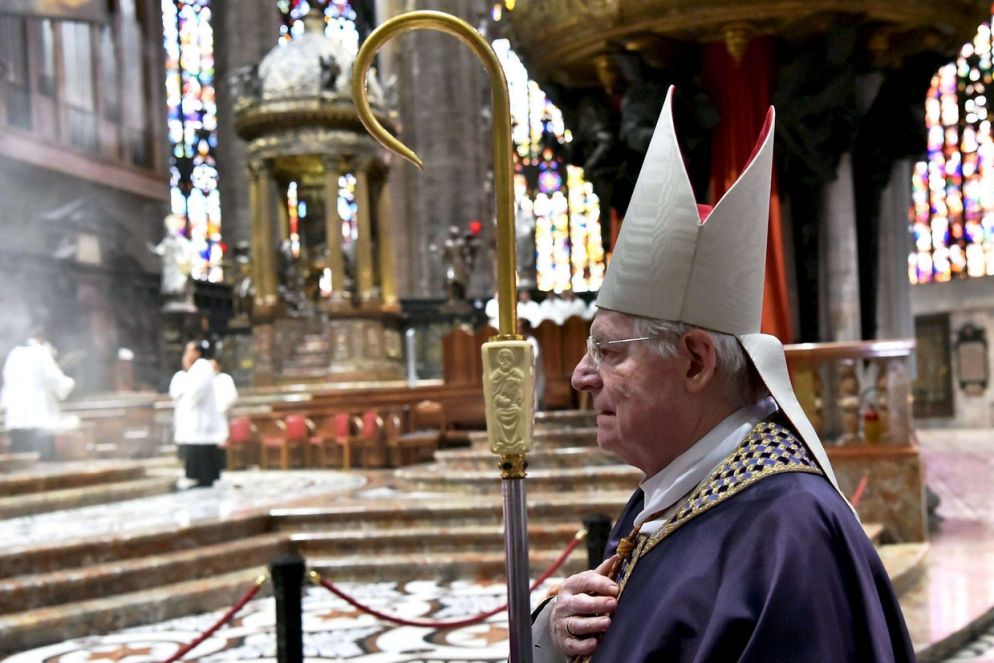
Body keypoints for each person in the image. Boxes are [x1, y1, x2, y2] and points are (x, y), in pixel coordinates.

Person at [531, 88, 915, 661]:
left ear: (695, 360)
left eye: (609, 351)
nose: (582, 376)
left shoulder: (791, 536)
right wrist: (552, 633)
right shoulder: (674, 493)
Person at [0, 328, 75, 461]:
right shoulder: (41, 353)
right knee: (43, 461)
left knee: (19, 463)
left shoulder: (14, 354)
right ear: (41, 338)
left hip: (16, 421)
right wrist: (70, 382)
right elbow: (56, 380)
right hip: (39, 422)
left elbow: (7, 383)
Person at [169, 340, 225, 487]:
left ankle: (204, 478)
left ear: (198, 352)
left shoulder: (202, 366)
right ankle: (198, 477)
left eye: (189, 351)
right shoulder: (191, 371)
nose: (186, 355)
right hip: (195, 421)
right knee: (195, 451)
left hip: (202, 421)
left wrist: (185, 392)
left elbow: (194, 393)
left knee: (202, 452)